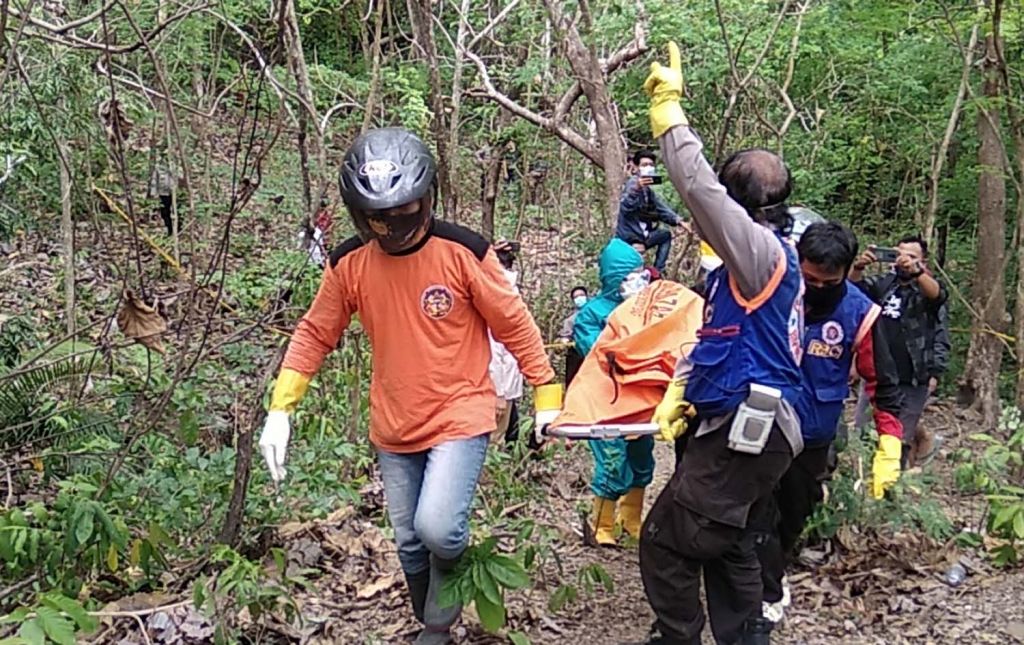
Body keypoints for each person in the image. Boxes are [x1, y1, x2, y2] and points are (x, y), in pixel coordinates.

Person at [256, 127, 559, 645]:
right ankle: (434, 618)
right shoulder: (348, 262)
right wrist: (281, 409)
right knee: (409, 541)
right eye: (377, 216)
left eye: (402, 211)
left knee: (439, 527)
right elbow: (314, 332)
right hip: (394, 423)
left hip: (460, 412)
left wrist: (546, 395)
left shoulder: (463, 252)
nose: (390, 226)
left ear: (427, 200)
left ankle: (438, 628)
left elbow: (514, 324)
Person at [637, 43, 806, 645]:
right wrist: (687, 390)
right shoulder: (763, 266)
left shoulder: (759, 255)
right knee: (731, 536)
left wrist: (671, 116)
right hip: (751, 428)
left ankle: (677, 637)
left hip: (750, 434)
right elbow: (728, 342)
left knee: (666, 541)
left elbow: (699, 191)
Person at [756, 221, 905, 626]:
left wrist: (888, 444)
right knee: (757, 509)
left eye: (829, 281)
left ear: (845, 273)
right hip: (763, 424)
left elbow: (882, 382)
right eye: (809, 278)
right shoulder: (775, 294)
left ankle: (776, 565)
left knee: (795, 511)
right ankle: (765, 587)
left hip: (813, 434)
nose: (817, 287)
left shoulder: (860, 313)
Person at [572, 239, 648, 545]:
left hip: (639, 398)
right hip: (605, 399)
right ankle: (602, 525)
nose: (640, 280)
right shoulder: (592, 313)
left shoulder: (645, 307)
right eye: (632, 275)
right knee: (612, 460)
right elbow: (594, 350)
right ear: (616, 277)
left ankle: (630, 521)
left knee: (642, 459)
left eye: (642, 273)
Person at [849, 233, 947, 468]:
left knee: (899, 439)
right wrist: (859, 267)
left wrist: (917, 272)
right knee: (864, 435)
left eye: (912, 256)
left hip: (913, 377)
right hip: (878, 375)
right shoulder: (884, 284)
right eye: (899, 253)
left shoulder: (925, 288)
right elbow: (854, 291)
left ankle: (893, 488)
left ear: (923, 261)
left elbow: (938, 295)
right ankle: (864, 486)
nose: (904, 259)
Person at [616, 149, 684, 272]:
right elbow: (625, 207)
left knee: (665, 235)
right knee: (633, 272)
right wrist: (636, 188)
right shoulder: (632, 184)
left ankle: (658, 271)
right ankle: (655, 272)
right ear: (636, 168)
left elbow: (660, 207)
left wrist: (679, 221)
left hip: (644, 235)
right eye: (644, 165)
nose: (648, 167)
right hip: (630, 239)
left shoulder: (647, 189)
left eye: (651, 165)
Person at [488, 239, 525, 445]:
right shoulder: (496, 292)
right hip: (498, 388)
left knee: (507, 437)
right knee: (495, 441)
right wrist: (499, 393)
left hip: (508, 385)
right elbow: (493, 350)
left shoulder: (509, 290)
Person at [558, 286, 590, 388]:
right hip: (576, 354)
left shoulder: (596, 315)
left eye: (581, 295)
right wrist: (564, 342)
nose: (579, 298)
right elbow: (566, 336)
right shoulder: (570, 320)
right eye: (576, 297)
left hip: (594, 351)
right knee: (573, 380)